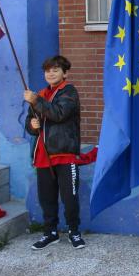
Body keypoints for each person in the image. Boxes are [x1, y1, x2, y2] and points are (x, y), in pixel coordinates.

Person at [24, 55, 86, 250]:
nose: (50, 73)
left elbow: (58, 114)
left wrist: (35, 100)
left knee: (69, 198)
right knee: (47, 198)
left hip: (65, 154)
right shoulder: (41, 94)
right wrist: (32, 125)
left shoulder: (69, 91)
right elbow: (30, 123)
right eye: (47, 70)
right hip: (43, 155)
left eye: (55, 70)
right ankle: (50, 232)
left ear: (65, 73)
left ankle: (74, 231)